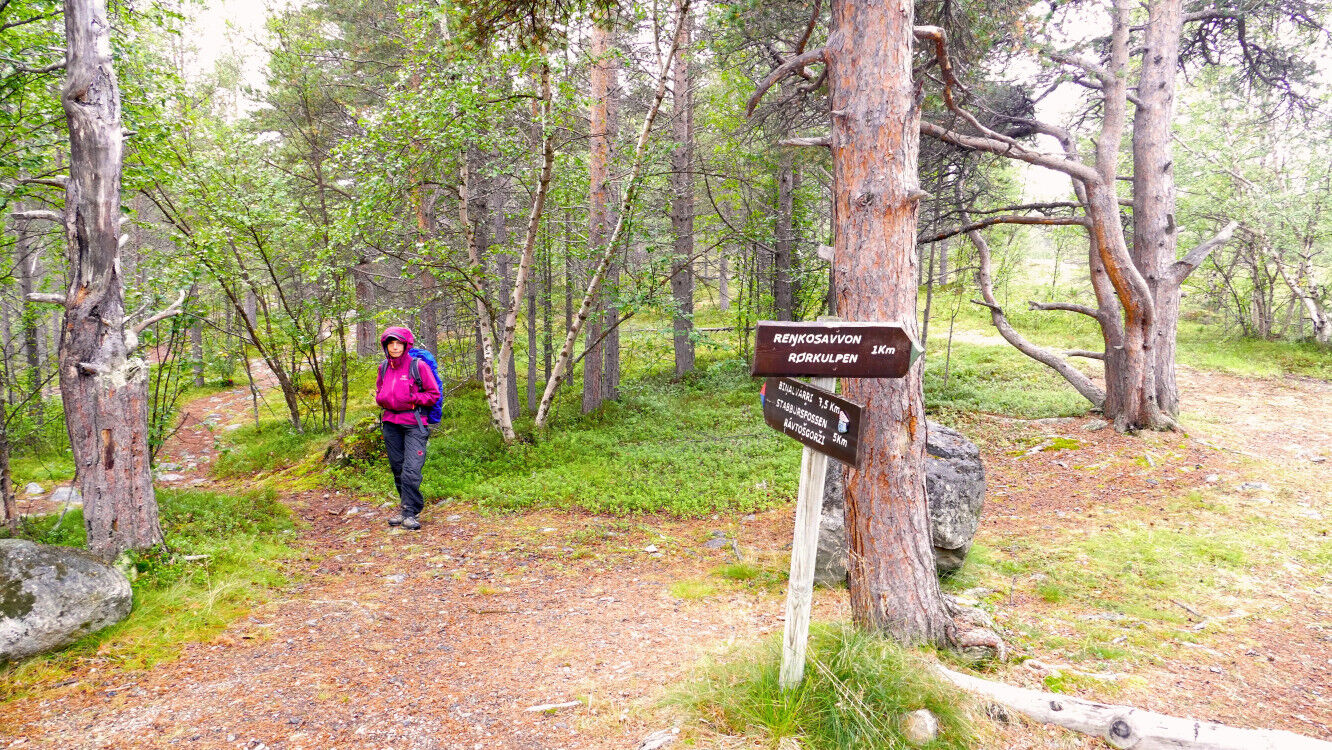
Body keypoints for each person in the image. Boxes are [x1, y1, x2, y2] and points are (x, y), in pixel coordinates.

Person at [374, 326, 441, 530]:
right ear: (386, 346)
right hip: (390, 424)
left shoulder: (418, 366)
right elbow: (379, 389)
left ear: (406, 345)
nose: (395, 347)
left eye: (398, 344)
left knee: (411, 470)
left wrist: (412, 399)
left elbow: (433, 394)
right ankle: (406, 509)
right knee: (397, 469)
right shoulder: (384, 367)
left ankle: (410, 511)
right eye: (391, 344)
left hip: (414, 424)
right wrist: (381, 398)